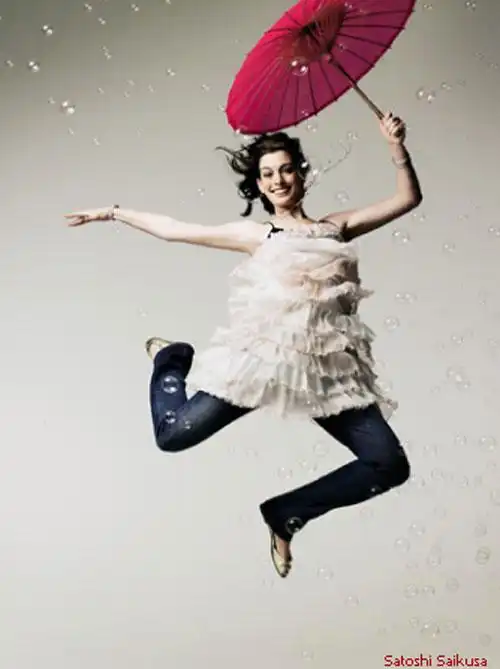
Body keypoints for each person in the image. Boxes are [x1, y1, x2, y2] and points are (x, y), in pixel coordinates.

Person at [65, 111, 422, 579]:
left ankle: (285, 513)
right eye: (268, 174)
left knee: (388, 465)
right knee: (173, 435)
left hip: (327, 371)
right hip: (264, 363)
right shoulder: (256, 234)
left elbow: (407, 198)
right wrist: (113, 212)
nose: (278, 180)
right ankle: (172, 359)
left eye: (286, 170)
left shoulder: (336, 226)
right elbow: (175, 229)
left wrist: (395, 146)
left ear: (302, 174)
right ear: (258, 184)